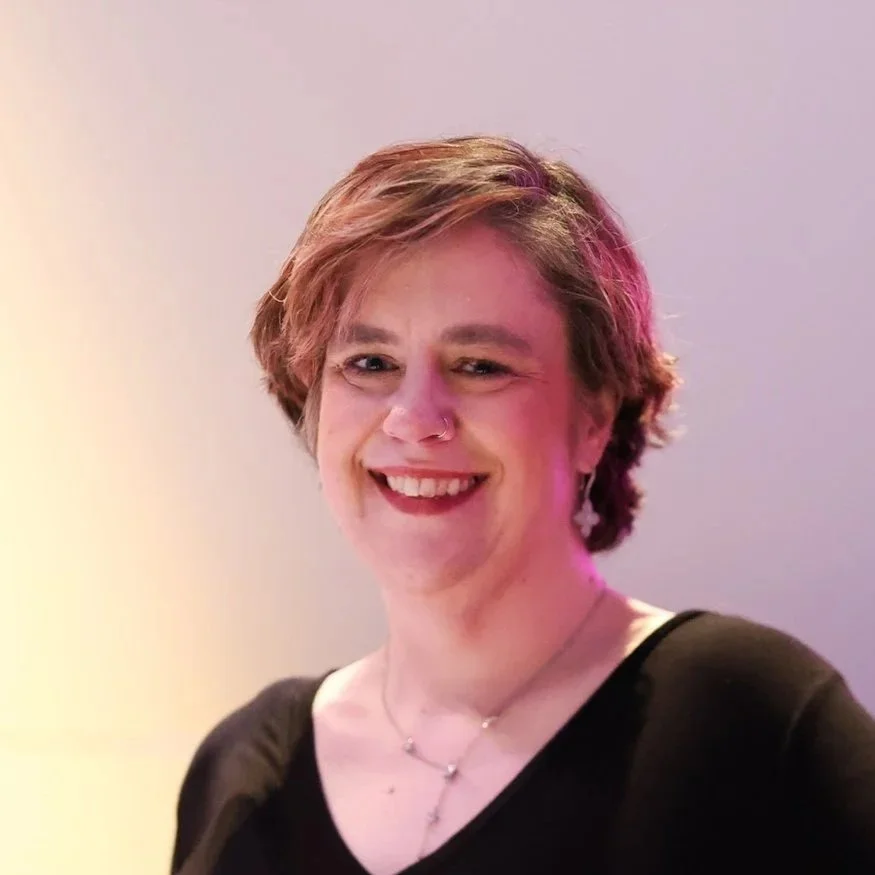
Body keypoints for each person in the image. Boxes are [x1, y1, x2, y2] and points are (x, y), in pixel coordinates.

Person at [170, 135, 875, 875]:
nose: (414, 418)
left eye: (480, 365)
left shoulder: (744, 717)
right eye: (369, 363)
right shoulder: (241, 768)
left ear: (595, 417)